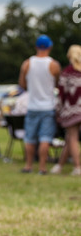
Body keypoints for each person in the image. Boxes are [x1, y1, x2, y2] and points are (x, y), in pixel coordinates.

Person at [18, 34, 61, 174]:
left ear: (36, 46)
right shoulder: (53, 65)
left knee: (29, 138)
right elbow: (58, 84)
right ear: (50, 47)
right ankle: (42, 167)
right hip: (48, 106)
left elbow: (22, 84)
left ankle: (28, 165)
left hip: (32, 106)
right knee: (45, 138)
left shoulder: (27, 64)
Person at [54, 45, 81, 176]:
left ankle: (77, 167)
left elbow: (62, 95)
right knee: (70, 138)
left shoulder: (67, 72)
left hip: (72, 110)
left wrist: (58, 111)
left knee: (73, 137)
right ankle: (59, 165)